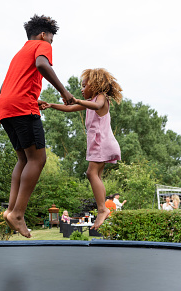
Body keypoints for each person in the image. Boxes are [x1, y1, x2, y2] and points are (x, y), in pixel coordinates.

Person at [0, 15, 75, 238]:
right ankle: (18, 214)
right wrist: (64, 92)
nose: (50, 44)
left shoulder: (19, 53)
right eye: (51, 39)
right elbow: (42, 64)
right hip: (22, 108)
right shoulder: (41, 45)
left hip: (6, 107)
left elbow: (8, 85)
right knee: (38, 159)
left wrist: (32, 98)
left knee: (23, 159)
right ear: (43, 35)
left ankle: (11, 210)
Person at [43, 68, 123, 230]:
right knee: (96, 176)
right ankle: (103, 208)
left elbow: (96, 105)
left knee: (91, 173)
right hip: (100, 143)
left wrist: (78, 100)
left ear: (95, 85)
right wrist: (51, 105)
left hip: (101, 142)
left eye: (84, 85)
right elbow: (70, 108)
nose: (81, 88)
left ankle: (103, 209)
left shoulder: (100, 98)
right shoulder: (91, 101)